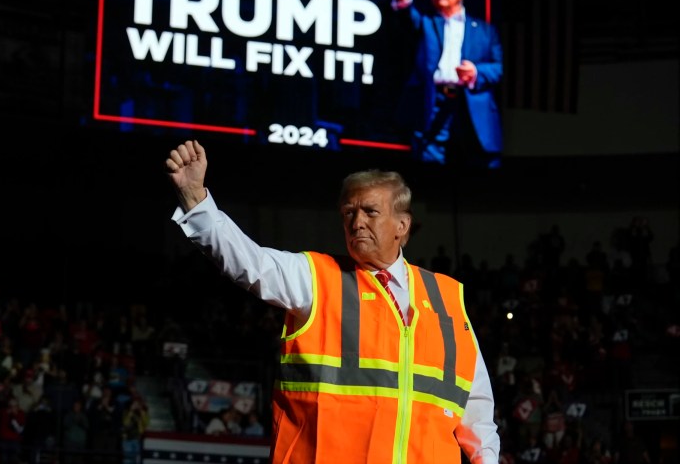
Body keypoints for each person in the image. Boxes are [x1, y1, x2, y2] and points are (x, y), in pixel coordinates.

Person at [166, 140, 500, 463]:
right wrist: (197, 201)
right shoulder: (316, 278)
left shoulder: (447, 298)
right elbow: (250, 263)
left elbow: (477, 409)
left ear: (402, 225)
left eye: (370, 211)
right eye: (348, 213)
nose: (357, 223)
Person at [390, 0, 503, 168]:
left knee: (479, 161)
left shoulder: (485, 31)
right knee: (429, 160)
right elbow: (407, 20)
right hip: (435, 100)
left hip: (470, 102)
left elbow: (499, 67)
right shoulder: (427, 23)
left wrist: (476, 72)